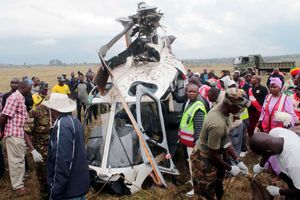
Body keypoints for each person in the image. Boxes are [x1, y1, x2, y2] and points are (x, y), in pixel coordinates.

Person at [191, 88, 249, 199]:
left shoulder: (225, 112)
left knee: (218, 186)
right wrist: (230, 168)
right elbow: (213, 155)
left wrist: (237, 160)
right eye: (239, 108)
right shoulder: (217, 124)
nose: (240, 111)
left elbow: (225, 140)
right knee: (206, 193)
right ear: (230, 105)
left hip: (215, 155)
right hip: (204, 159)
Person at [42, 93, 90, 199]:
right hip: (79, 185)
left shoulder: (62, 124)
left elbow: (62, 160)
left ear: (54, 110)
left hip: (68, 190)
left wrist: (55, 190)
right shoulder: (75, 120)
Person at [0, 81, 32, 195]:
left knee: (19, 160)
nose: (31, 91)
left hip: (19, 133)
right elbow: (4, 116)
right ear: (23, 87)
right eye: (29, 88)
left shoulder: (20, 98)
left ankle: (19, 182)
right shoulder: (14, 98)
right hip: (14, 134)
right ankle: (18, 187)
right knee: (16, 162)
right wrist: (1, 131)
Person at [250, 128, 300, 199]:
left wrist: (279, 191)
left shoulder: (294, 163)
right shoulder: (275, 132)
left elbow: (298, 190)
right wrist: (261, 165)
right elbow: (267, 151)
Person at [178, 83, 207, 196]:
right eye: (189, 91)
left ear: (198, 92)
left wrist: (196, 145)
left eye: (193, 91)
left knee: (194, 166)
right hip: (187, 142)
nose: (191, 93)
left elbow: (198, 127)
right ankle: (193, 180)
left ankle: (196, 189)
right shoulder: (190, 103)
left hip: (193, 143)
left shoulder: (198, 106)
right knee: (191, 164)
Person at [24, 102, 50, 199]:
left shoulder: (59, 111)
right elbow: (26, 132)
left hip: (54, 147)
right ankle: (45, 195)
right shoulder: (35, 111)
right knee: (42, 175)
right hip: (40, 149)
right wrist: (33, 150)